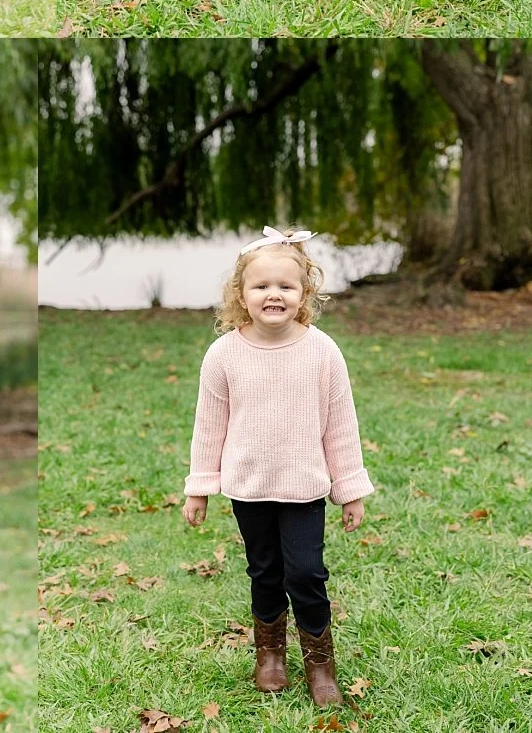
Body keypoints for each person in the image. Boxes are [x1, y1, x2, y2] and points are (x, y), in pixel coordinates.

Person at [183, 228, 372, 707]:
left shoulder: (322, 352)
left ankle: (320, 663)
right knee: (264, 571)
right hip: (249, 487)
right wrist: (199, 486)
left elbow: (340, 426)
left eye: (286, 286)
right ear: (240, 295)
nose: (274, 294)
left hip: (304, 486)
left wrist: (350, 489)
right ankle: (270, 654)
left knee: (306, 573)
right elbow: (209, 425)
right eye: (261, 286)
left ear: (304, 294)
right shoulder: (223, 354)